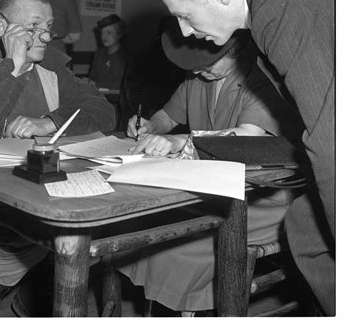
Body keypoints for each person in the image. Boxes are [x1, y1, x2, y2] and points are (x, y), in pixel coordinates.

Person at [155, 0, 335, 315]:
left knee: (309, 230)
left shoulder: (280, 4)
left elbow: (330, 142)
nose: (185, 32)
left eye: (186, 16)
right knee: (306, 227)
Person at [0, 0, 116, 316]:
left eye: (48, 28)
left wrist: (50, 121)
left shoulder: (51, 67)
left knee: (88, 235)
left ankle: (25, 302)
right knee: (43, 248)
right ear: (2, 28)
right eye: (34, 27)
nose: (46, 36)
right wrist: (11, 66)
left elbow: (104, 111)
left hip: (43, 189)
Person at [116, 27, 302, 316]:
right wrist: (151, 126)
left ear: (236, 50)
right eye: (196, 66)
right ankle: (175, 309)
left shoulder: (260, 78)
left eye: (208, 64)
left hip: (263, 195)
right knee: (150, 231)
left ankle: (190, 311)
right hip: (213, 188)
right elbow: (167, 116)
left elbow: (248, 135)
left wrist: (180, 139)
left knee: (177, 247)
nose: (200, 71)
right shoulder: (198, 76)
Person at [88, 14, 128, 90]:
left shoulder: (125, 56)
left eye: (109, 33)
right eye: (102, 33)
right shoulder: (98, 53)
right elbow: (92, 77)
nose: (104, 37)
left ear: (119, 34)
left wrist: (96, 84)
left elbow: (122, 83)